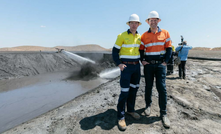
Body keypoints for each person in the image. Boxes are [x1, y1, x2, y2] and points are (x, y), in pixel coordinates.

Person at [139, 11, 172, 128]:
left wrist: (166, 62)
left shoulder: (165, 33)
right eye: (150, 20)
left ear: (158, 21)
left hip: (160, 66)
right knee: (148, 86)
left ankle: (163, 113)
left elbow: (169, 49)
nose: (153, 22)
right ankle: (148, 106)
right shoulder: (144, 35)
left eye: (155, 20)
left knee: (161, 88)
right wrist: (142, 60)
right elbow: (141, 49)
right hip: (148, 65)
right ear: (148, 22)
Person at [112, 14, 142, 131]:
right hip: (126, 67)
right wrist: (119, 64)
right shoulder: (122, 36)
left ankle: (130, 110)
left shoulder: (140, 37)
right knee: (124, 92)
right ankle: (121, 116)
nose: (134, 25)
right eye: (132, 23)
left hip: (136, 67)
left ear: (138, 25)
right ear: (129, 24)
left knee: (134, 90)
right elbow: (114, 51)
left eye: (136, 23)